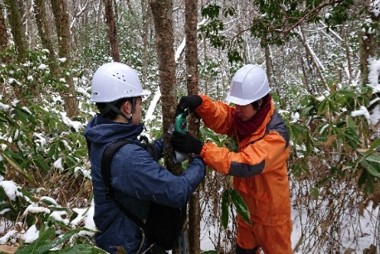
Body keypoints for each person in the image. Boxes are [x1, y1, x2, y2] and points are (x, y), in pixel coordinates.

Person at [84, 62, 206, 254]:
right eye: (139, 102)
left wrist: (168, 137)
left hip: (114, 234)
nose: (140, 107)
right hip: (130, 244)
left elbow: (136, 156)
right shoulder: (126, 159)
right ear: (127, 107)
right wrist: (202, 158)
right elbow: (177, 191)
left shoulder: (100, 134)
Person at [170, 64, 292, 254]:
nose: (238, 109)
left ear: (259, 102)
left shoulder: (276, 135)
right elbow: (225, 117)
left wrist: (200, 148)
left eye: (242, 105)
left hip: (272, 219)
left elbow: (246, 164)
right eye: (237, 104)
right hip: (247, 212)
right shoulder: (246, 119)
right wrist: (200, 103)